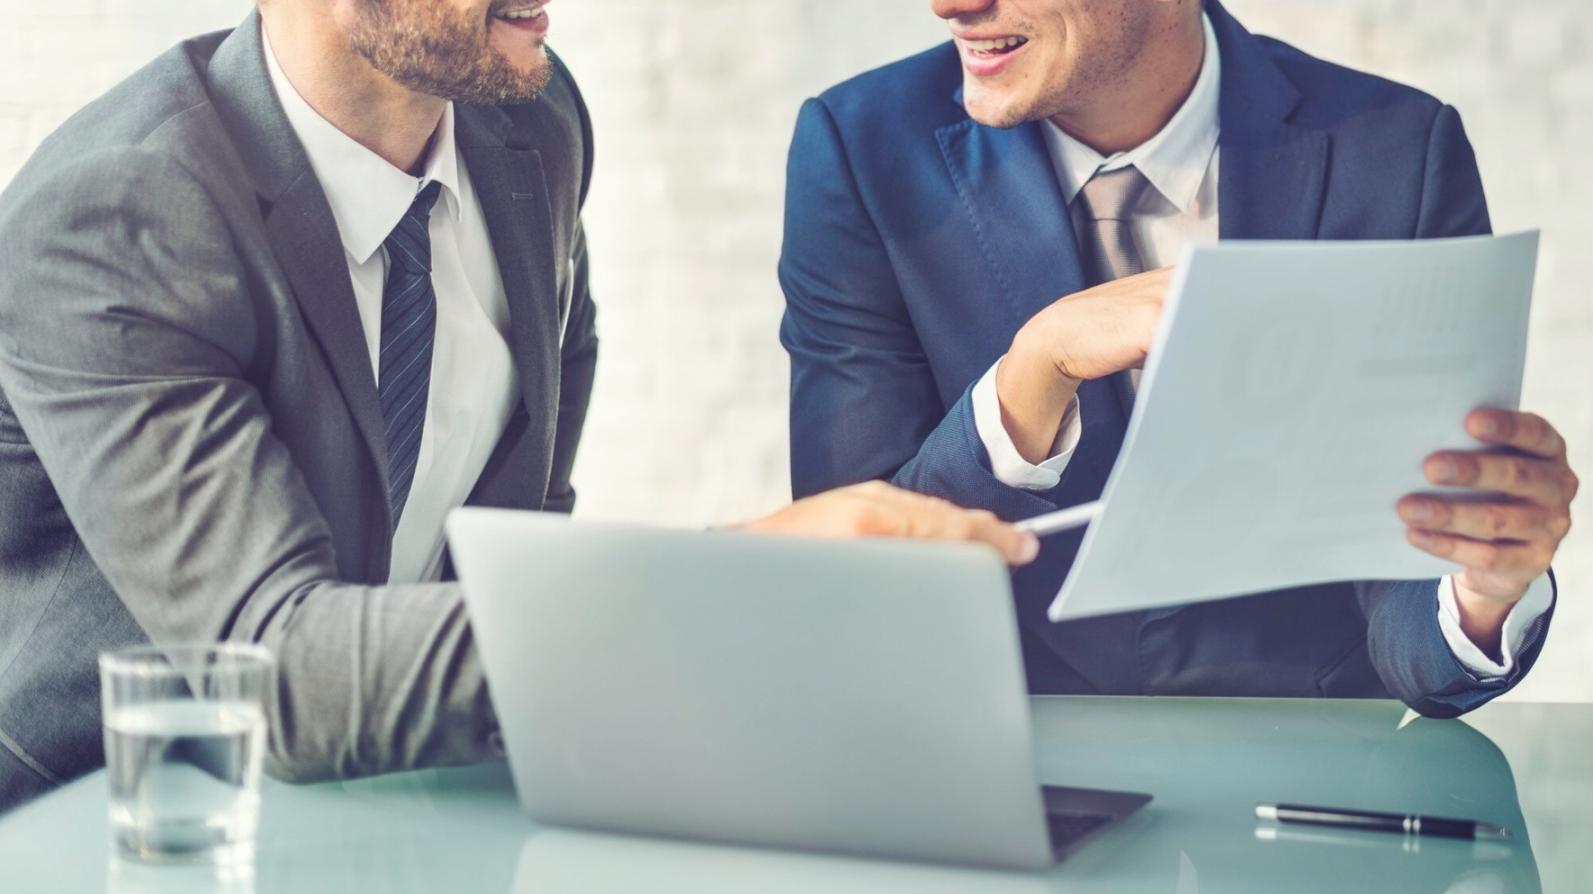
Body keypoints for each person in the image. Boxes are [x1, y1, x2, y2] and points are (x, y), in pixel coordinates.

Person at [0, 0, 1038, 813]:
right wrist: (732, 585)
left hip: (397, 792)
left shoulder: (530, 124)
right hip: (110, 824)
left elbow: (517, 531)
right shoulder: (121, 212)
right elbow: (277, 672)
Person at [780, 0, 1576, 708]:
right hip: (995, 763)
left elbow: (1408, 565)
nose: (950, 3)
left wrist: (1481, 588)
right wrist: (1036, 369)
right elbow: (850, 583)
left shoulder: (1398, 149)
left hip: (1307, 784)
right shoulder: (858, 151)